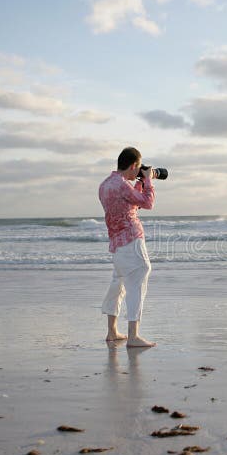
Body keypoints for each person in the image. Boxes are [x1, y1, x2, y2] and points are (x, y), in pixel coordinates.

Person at [98, 146, 156, 347]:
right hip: (131, 239)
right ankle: (133, 336)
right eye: (138, 168)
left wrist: (139, 184)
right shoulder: (122, 185)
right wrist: (148, 181)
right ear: (133, 166)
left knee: (119, 283)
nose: (138, 172)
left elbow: (131, 203)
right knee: (138, 280)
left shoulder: (105, 185)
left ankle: (112, 331)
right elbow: (147, 203)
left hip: (116, 243)